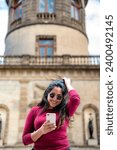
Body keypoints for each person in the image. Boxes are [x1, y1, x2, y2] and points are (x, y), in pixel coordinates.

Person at [22, 77, 80, 150]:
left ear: (62, 99)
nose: (55, 99)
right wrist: (41, 131)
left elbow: (75, 99)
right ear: (47, 94)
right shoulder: (35, 110)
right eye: (52, 95)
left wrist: (67, 84)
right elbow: (25, 140)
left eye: (59, 97)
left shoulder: (65, 110)